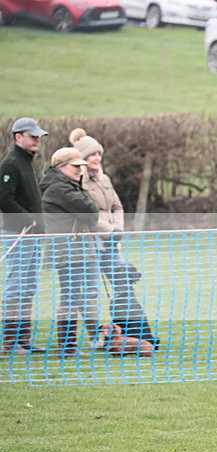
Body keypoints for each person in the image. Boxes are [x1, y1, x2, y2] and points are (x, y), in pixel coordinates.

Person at [40, 147, 99, 358]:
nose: (79, 170)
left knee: (72, 296)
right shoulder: (59, 189)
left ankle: (69, 346)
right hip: (69, 250)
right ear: (61, 167)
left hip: (74, 249)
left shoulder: (66, 185)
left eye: (80, 166)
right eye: (75, 166)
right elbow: (91, 212)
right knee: (70, 298)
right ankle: (67, 347)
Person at [70, 128, 125, 348]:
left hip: (113, 243)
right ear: (81, 159)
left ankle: (124, 332)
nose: (96, 158)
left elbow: (117, 206)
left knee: (123, 285)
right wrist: (108, 231)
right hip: (92, 243)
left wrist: (118, 230)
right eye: (91, 154)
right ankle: (95, 337)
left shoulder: (106, 179)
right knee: (90, 291)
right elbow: (86, 215)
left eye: (98, 154)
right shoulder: (77, 183)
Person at [1, 118, 48, 356]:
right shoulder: (10, 164)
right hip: (17, 233)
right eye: (32, 136)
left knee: (28, 286)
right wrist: (26, 218)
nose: (37, 140)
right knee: (17, 286)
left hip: (33, 234)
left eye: (38, 136)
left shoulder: (28, 162)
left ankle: (23, 339)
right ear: (18, 137)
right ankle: (10, 342)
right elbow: (4, 199)